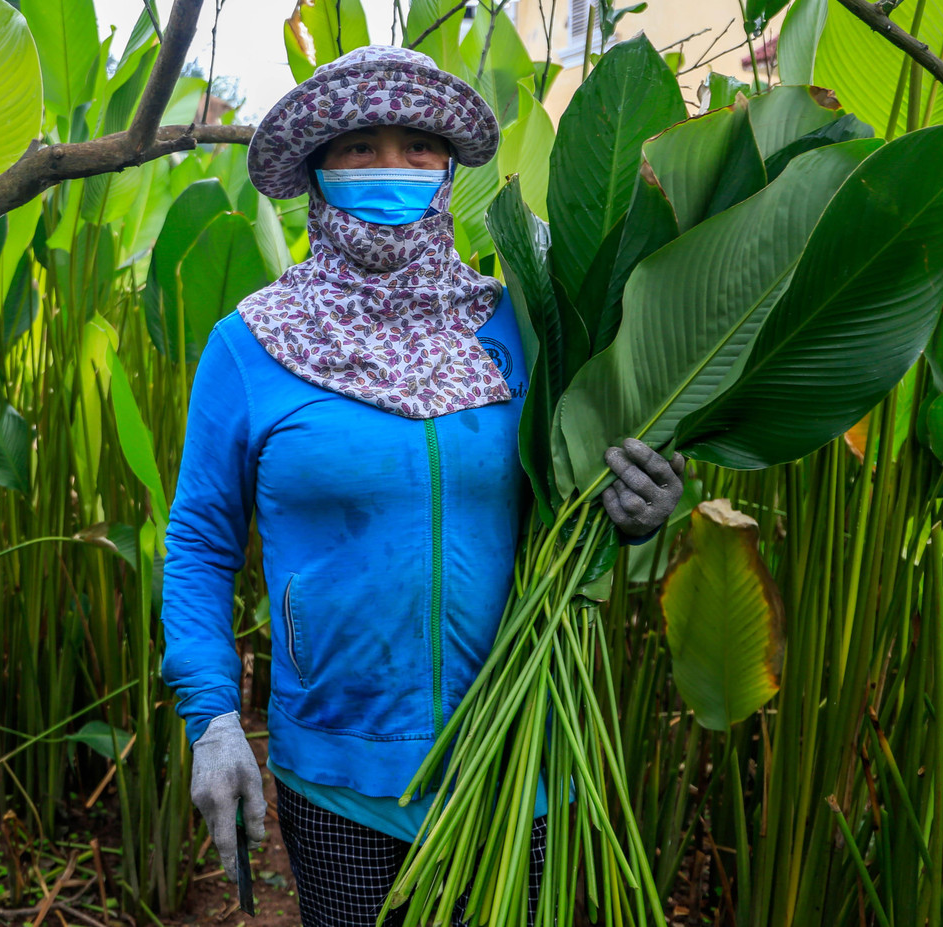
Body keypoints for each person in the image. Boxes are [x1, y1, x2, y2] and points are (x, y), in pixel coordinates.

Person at [160, 45, 686, 927]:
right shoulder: (250, 344)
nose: (390, 168)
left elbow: (573, 497)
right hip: (340, 770)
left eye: (417, 147)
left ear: (448, 169)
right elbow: (200, 544)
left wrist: (637, 513)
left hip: (519, 746)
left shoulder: (522, 324)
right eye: (360, 148)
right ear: (317, 169)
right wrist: (212, 718)